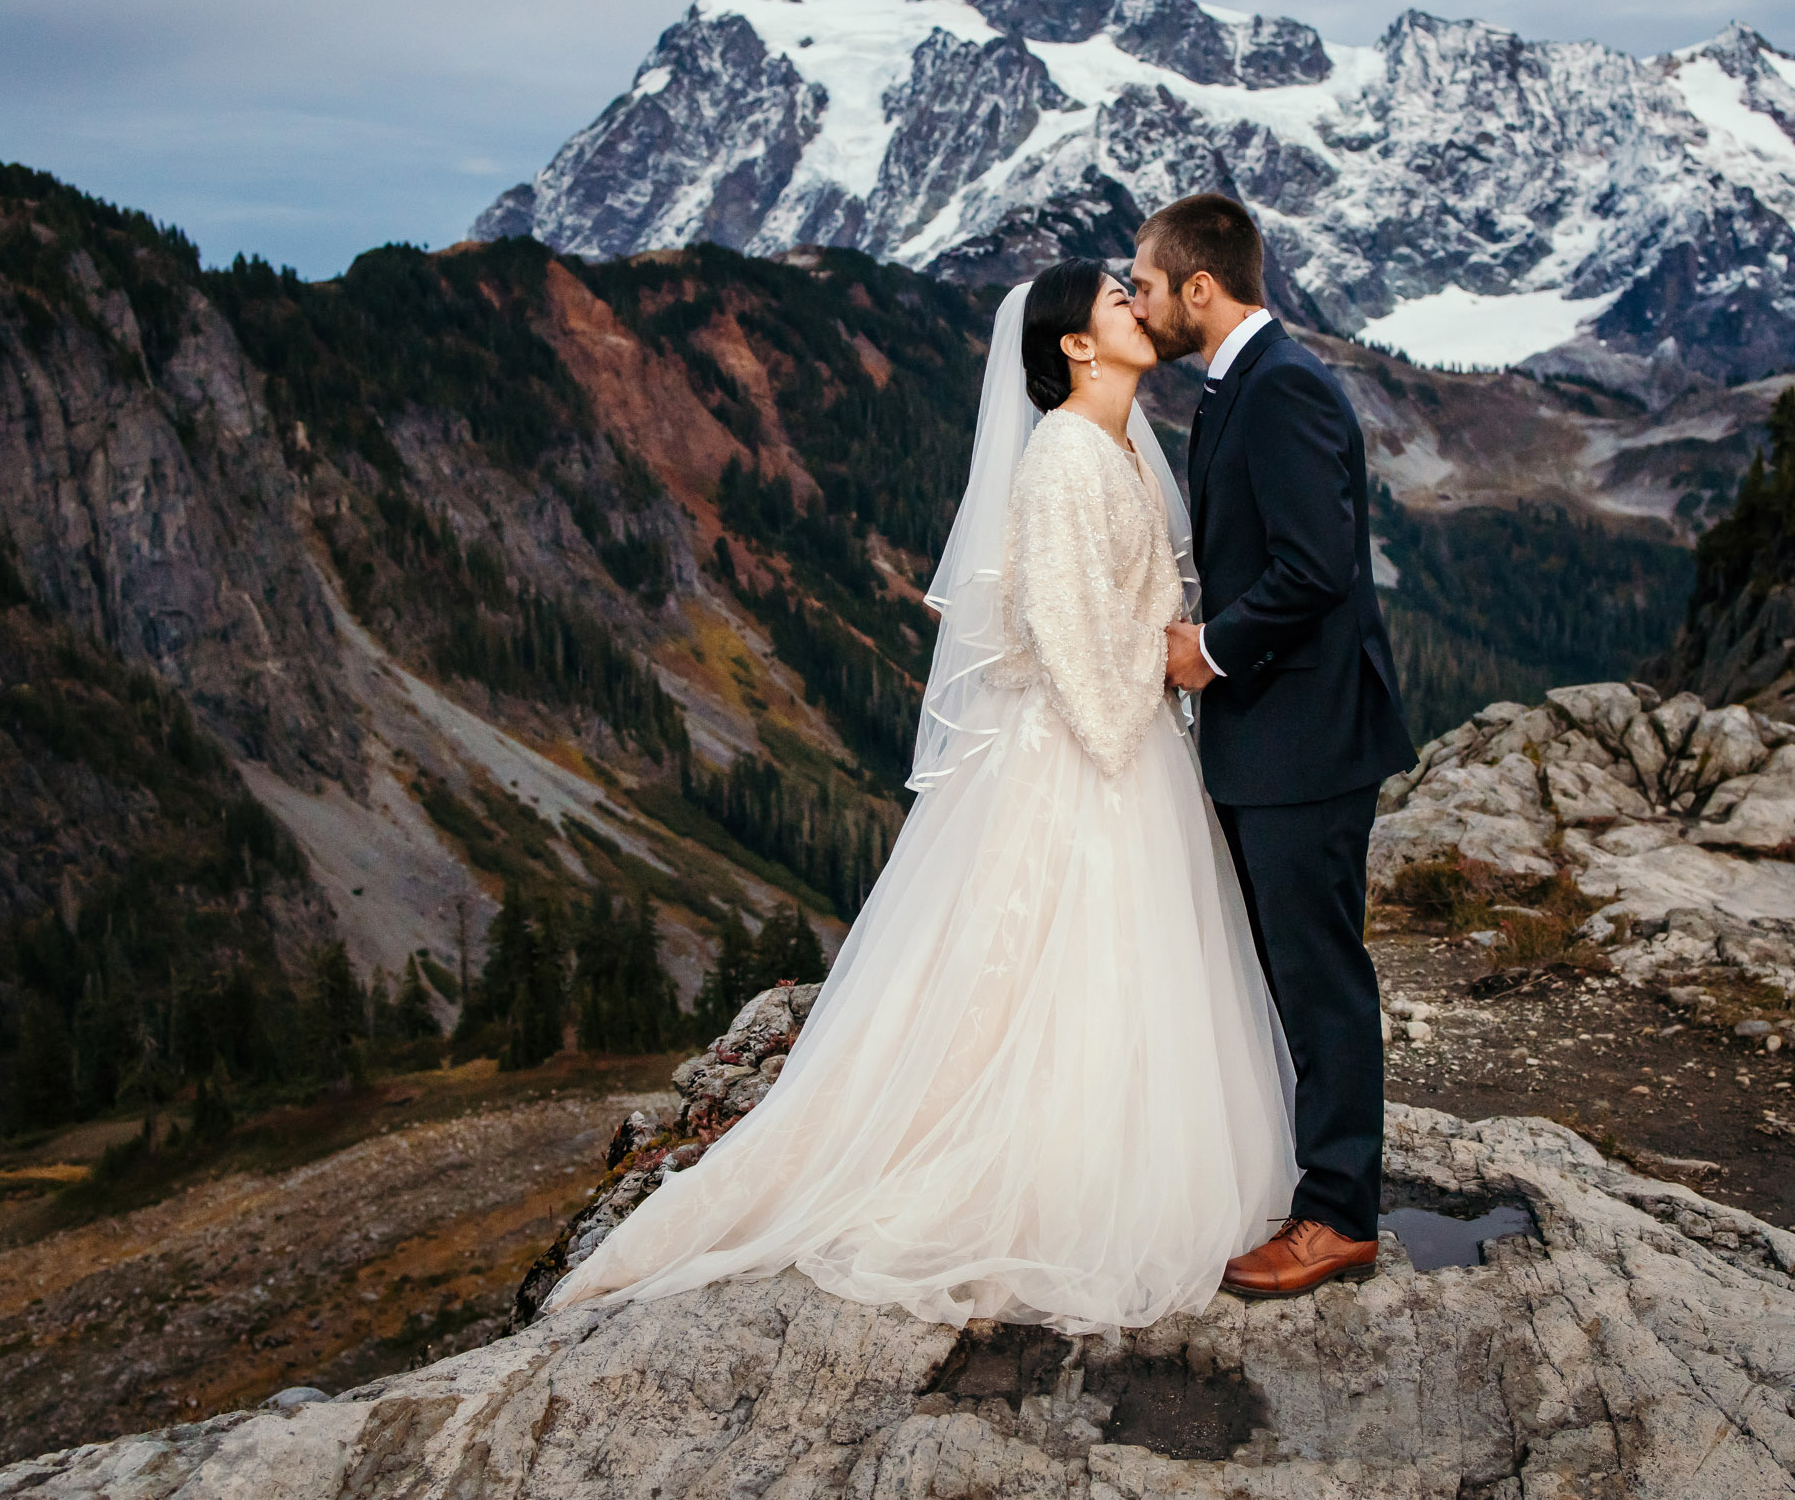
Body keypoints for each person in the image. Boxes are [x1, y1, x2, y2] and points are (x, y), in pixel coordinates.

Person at [541, 261, 1298, 1334]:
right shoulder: (1064, 458)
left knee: (1117, 972)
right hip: (1089, 745)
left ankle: (1106, 1153)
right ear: (1075, 345)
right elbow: (1069, 640)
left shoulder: (1125, 447)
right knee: (1062, 971)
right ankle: (1038, 1180)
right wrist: (1169, 667)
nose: (1141, 302)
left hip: (1125, 741)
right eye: (1118, 298)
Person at [1130, 194, 1418, 1299]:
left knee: (1320, 974)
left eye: (1147, 283)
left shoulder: (1283, 385)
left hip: (1305, 739)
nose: (1139, 302)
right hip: (1274, 737)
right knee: (1290, 969)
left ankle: (1339, 1215)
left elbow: (1318, 565)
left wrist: (1209, 649)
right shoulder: (1242, 384)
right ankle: (1308, 1181)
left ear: (1200, 286)